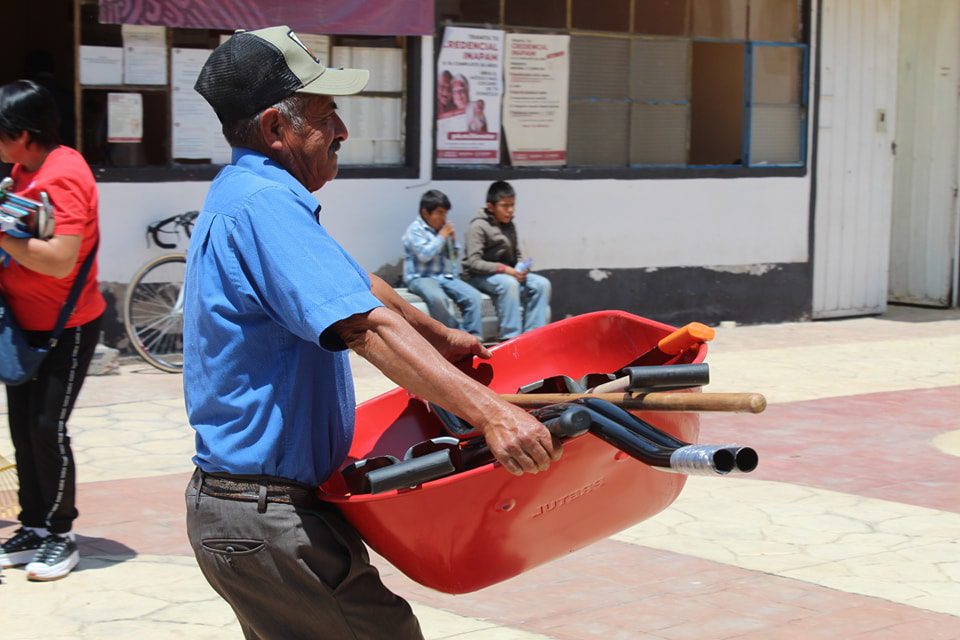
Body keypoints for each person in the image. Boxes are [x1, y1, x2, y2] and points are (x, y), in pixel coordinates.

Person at [186, 25, 561, 640]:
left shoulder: (252, 193)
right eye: (325, 115)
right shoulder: (264, 206)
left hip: (263, 514)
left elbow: (358, 286)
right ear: (277, 132)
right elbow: (366, 328)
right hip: (264, 516)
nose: (342, 131)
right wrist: (492, 415)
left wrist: (438, 334)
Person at [0, 80, 105, 581]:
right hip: (23, 327)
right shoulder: (23, 169)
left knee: (47, 430)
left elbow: (61, 260)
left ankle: (61, 536)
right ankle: (34, 526)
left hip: (69, 327)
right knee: (22, 430)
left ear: (24, 134)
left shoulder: (65, 174)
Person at [464, 181, 551, 341]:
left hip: (508, 273)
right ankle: (511, 337)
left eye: (512, 205)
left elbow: (516, 254)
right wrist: (506, 270)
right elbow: (473, 263)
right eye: (505, 206)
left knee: (542, 284)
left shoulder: (510, 226)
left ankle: (534, 336)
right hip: (479, 277)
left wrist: (521, 268)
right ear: (491, 207)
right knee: (508, 284)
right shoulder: (478, 226)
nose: (510, 210)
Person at [402, 189, 484, 338]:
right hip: (420, 278)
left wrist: (452, 241)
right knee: (438, 298)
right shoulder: (415, 230)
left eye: (445, 213)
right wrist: (441, 236)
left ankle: (473, 336)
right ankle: (453, 336)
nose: (443, 218)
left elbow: (452, 256)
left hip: (442, 276)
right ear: (425, 212)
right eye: (439, 213)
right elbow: (424, 255)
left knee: (473, 296)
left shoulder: (440, 230)